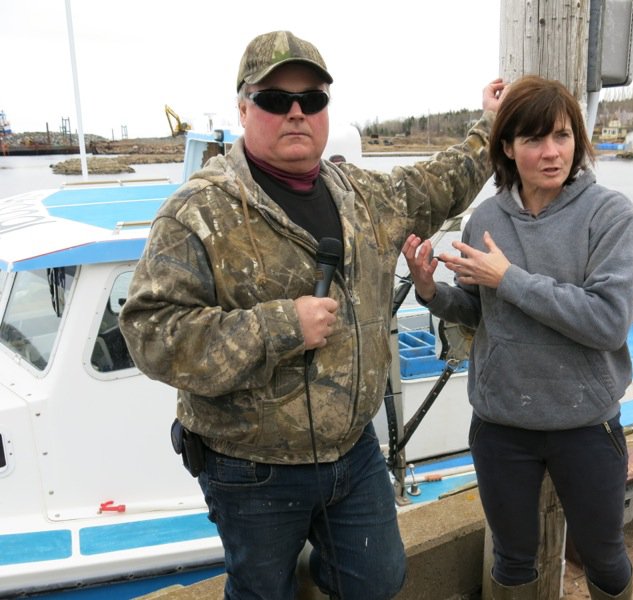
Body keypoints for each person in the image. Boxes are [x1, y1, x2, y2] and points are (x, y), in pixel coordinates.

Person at [118, 29, 505, 600]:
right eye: (276, 100)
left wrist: (490, 124)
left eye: (312, 99)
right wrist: (279, 327)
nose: (297, 112)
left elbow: (441, 182)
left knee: (378, 582)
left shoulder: (363, 194)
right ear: (244, 108)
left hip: (354, 453)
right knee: (260, 593)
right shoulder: (195, 212)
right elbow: (150, 334)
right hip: (250, 469)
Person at [402, 75, 633, 600]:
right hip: (502, 424)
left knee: (604, 556)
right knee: (511, 559)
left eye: (561, 136)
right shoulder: (486, 219)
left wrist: (508, 278)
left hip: (586, 423)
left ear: (578, 141)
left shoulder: (611, 215)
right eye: (533, 139)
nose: (551, 152)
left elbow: (608, 321)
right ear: (507, 148)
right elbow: (480, 311)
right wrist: (430, 293)